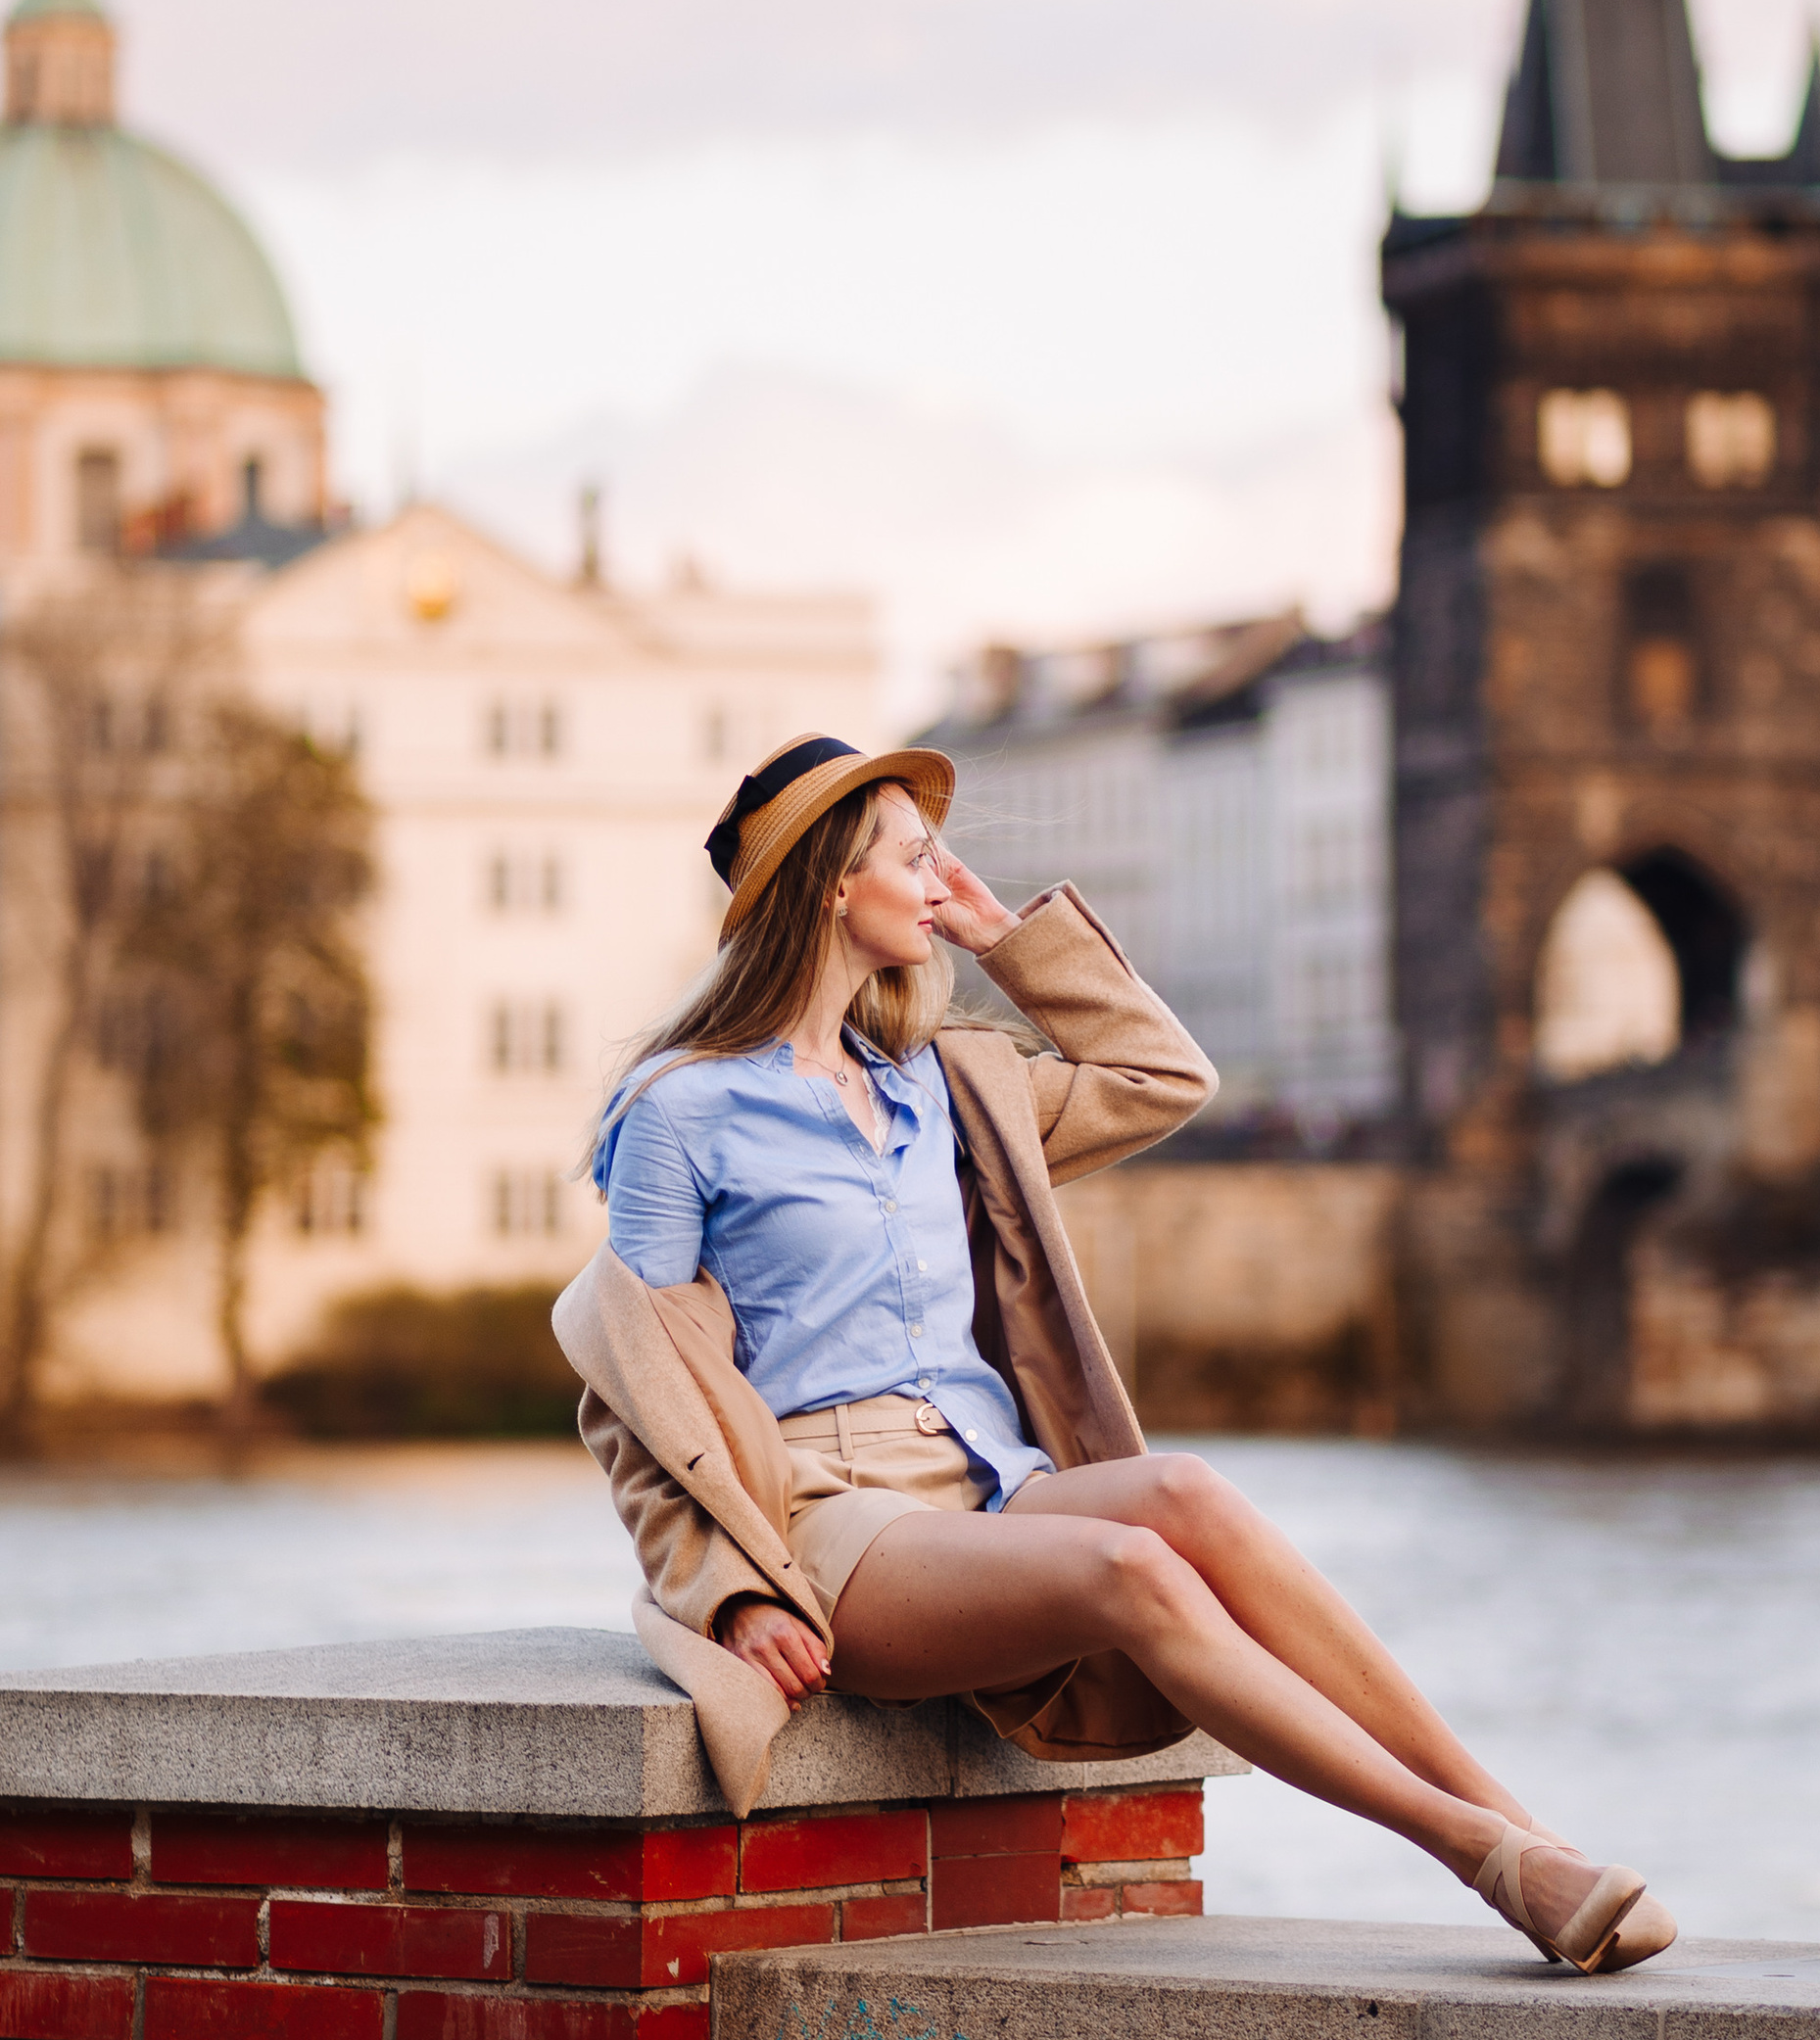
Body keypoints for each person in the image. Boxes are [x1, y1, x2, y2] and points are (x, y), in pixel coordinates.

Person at [554, 732, 1674, 1973]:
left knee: (1186, 1492)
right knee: (1132, 1566)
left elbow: (1162, 1075)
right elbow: (632, 1384)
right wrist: (731, 1589)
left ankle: (1529, 1833)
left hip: (987, 1482)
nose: (942, 881)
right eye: (916, 859)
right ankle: (1482, 1860)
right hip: (826, 1517)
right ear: (829, 884)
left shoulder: (945, 1088)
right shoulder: (681, 1109)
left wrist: (1007, 940)